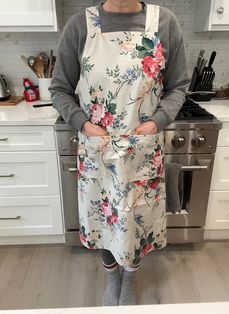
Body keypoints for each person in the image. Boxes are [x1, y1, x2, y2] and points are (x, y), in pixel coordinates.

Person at [50, 0, 190, 307]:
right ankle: (113, 277)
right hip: (98, 149)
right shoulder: (80, 26)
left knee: (136, 220)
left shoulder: (164, 22)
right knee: (105, 219)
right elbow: (59, 89)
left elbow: (179, 86)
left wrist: (158, 121)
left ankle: (130, 278)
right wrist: (82, 123)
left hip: (142, 149)